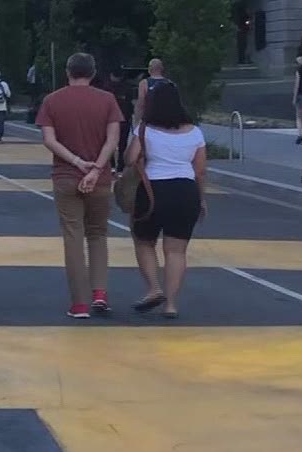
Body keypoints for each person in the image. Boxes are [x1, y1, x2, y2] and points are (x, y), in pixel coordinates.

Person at [37, 53, 123, 320]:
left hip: (65, 175)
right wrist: (96, 167)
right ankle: (100, 293)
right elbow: (112, 141)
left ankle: (80, 304)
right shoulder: (108, 101)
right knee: (97, 235)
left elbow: (49, 140)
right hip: (100, 179)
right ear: (93, 72)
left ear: (68, 71)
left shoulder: (52, 101)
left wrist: (76, 161)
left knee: (73, 237)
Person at [124, 80, 207, 320]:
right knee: (176, 251)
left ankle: (153, 288)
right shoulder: (195, 132)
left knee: (144, 242)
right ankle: (171, 304)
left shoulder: (145, 129)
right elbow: (200, 170)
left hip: (152, 191)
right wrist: (201, 200)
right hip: (185, 192)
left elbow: (130, 160)